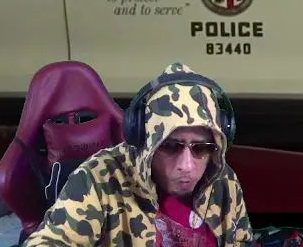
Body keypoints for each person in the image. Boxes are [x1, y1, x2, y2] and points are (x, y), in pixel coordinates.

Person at [23, 63, 252, 247]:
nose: (187, 165)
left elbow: (241, 241)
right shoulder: (99, 179)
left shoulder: (223, 181)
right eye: (170, 146)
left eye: (201, 148)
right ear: (145, 140)